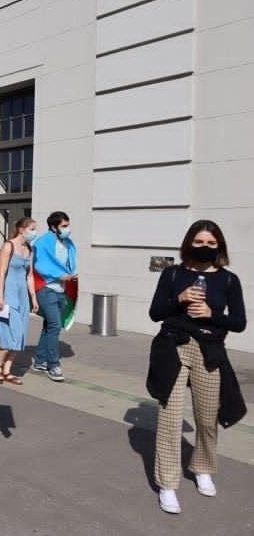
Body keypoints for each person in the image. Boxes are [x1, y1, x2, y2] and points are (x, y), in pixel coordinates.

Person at [147, 220, 246, 514]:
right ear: (189, 243)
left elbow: (239, 323)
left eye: (211, 244)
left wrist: (212, 313)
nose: (204, 248)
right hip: (173, 348)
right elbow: (155, 312)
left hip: (209, 350)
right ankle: (168, 484)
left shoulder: (228, 280)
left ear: (220, 247)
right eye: (199, 242)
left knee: (206, 417)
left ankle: (202, 467)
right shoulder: (172, 274)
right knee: (170, 419)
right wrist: (179, 299)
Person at [0, 217, 40, 385]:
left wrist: (33, 297)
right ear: (21, 229)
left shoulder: (30, 249)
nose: (34, 232)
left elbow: (30, 275)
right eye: (32, 229)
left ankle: (7, 370)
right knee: (13, 332)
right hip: (8, 293)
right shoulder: (8, 245)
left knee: (21, 336)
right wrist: (0, 296)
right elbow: (2, 272)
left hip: (22, 296)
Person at [31, 211, 77, 382]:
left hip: (60, 290)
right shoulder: (42, 243)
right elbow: (39, 265)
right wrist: (59, 275)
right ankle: (53, 364)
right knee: (55, 325)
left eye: (68, 225)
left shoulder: (68, 243)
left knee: (49, 326)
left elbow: (69, 262)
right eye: (64, 226)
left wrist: (71, 274)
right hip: (46, 288)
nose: (68, 229)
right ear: (53, 227)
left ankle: (39, 360)